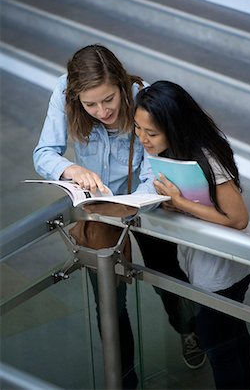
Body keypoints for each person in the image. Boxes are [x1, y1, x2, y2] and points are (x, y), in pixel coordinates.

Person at [33, 45, 204, 388]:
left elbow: (151, 166)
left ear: (122, 87)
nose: (101, 111)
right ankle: (124, 380)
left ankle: (187, 328)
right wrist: (71, 168)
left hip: (144, 204)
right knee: (108, 300)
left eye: (108, 99)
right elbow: (44, 153)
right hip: (98, 212)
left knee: (166, 271)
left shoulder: (144, 98)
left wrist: (133, 203)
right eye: (90, 104)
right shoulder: (64, 91)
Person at [134, 80, 250, 390]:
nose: (143, 139)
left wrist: (180, 203)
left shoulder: (206, 157)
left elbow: (238, 219)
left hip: (224, 264)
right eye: (138, 129)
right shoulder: (171, 149)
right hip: (207, 257)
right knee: (232, 331)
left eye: (151, 133)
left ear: (174, 127)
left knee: (217, 343)